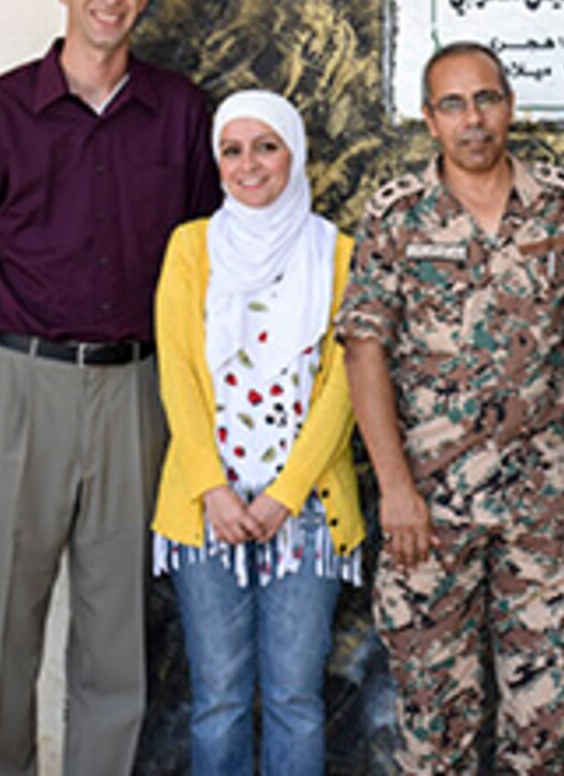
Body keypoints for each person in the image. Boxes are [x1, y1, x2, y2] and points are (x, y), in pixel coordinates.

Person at [0, 0, 219, 775]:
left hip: (135, 391)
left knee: (115, 637)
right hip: (20, 381)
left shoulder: (180, 112)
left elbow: (201, 257)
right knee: (1, 628)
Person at [336, 42, 564, 774]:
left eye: (486, 99)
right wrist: (394, 486)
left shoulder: (561, 202)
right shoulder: (396, 214)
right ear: (430, 119)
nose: (473, 119)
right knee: (436, 727)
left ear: (510, 106)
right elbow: (364, 350)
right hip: (428, 508)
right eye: (453, 104)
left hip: (546, 499)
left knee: (544, 724)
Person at [150, 90, 365, 775]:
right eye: (233, 150)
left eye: (266, 146)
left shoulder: (337, 252)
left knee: (295, 698)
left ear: (294, 153)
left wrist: (285, 493)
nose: (250, 165)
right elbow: (178, 375)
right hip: (207, 506)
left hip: (302, 511)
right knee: (217, 698)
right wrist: (213, 490)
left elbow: (344, 386)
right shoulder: (191, 248)